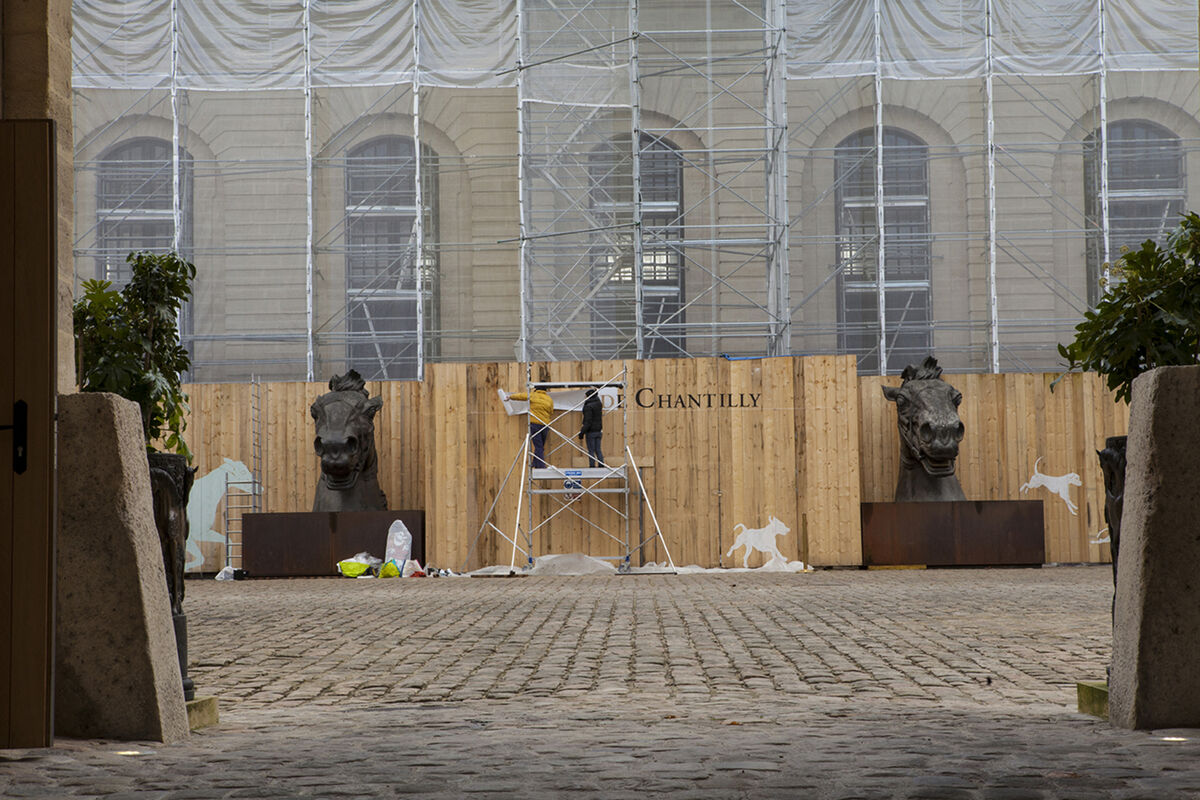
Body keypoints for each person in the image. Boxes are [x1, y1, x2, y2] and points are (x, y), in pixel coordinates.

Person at [506, 378, 553, 468]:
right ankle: (535, 463)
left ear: (536, 388)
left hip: (535, 424)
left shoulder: (533, 395)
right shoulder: (549, 399)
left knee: (538, 446)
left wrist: (510, 397)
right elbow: (551, 412)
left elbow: (521, 396)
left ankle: (540, 466)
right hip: (545, 425)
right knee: (540, 446)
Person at [579, 388, 604, 467]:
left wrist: (582, 432)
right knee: (598, 450)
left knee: (591, 450)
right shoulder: (598, 404)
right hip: (598, 430)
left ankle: (592, 466)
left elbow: (588, 421)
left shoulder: (588, 407)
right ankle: (601, 465)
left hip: (591, 431)